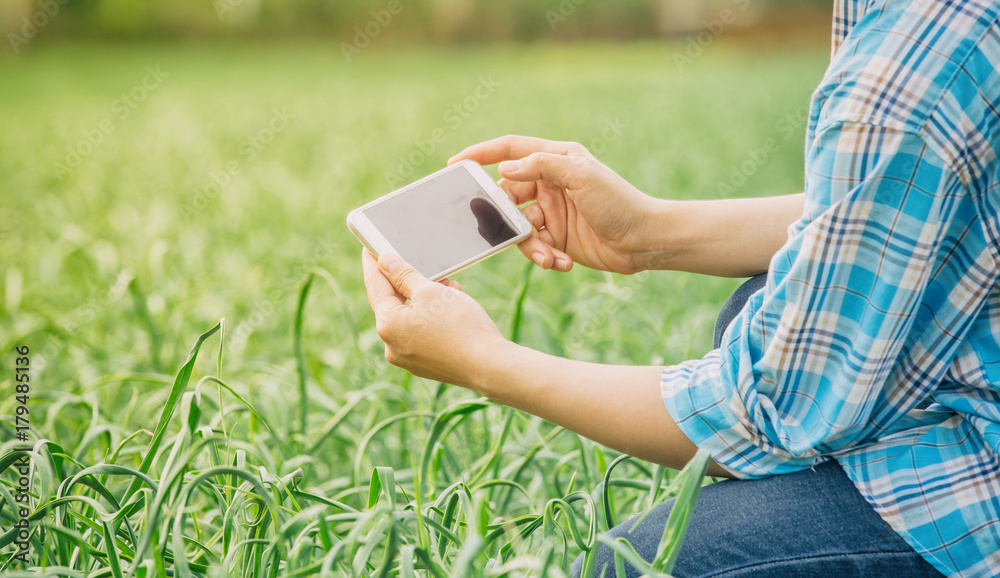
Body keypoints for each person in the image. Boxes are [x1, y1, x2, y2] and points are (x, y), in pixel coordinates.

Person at [361, 0, 1000, 575]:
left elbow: (770, 413)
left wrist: (485, 362)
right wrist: (647, 233)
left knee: (641, 564)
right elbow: (886, 212)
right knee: (754, 308)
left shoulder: (919, 62)